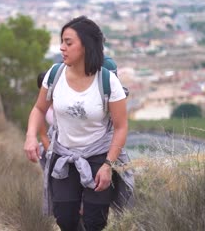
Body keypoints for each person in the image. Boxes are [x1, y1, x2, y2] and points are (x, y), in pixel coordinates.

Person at [24, 16, 133, 231]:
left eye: (68, 42)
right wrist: (30, 137)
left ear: (86, 46)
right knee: (65, 219)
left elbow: (121, 126)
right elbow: (39, 109)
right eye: (62, 42)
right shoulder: (54, 75)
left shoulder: (107, 81)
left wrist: (108, 165)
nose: (62, 47)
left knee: (94, 222)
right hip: (64, 156)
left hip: (99, 156)